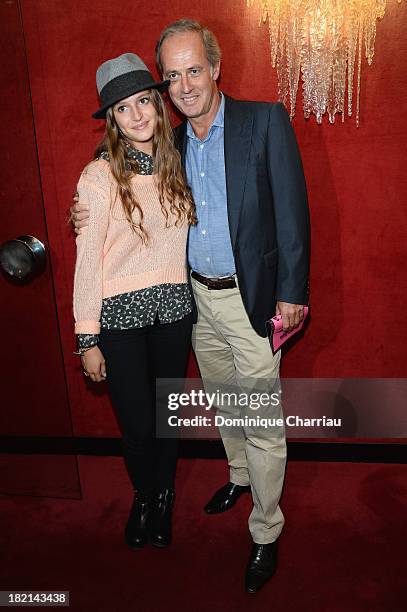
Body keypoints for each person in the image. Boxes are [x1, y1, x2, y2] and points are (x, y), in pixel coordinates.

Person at [72, 20, 310, 593]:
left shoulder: (264, 121)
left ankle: (265, 531)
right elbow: (119, 179)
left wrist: (293, 292)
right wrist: (81, 211)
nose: (185, 85)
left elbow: (294, 214)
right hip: (194, 301)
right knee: (225, 401)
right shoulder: (169, 143)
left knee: (259, 420)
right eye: (173, 75)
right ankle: (237, 478)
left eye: (194, 70)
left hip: (251, 300)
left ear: (216, 68)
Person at [73, 52, 196, 551]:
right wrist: (87, 338)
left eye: (143, 101)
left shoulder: (179, 162)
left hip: (174, 311)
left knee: (167, 415)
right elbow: (88, 261)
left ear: (158, 103)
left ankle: (163, 496)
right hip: (119, 318)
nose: (137, 115)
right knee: (138, 422)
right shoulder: (98, 177)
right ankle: (143, 495)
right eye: (122, 109)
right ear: (113, 122)